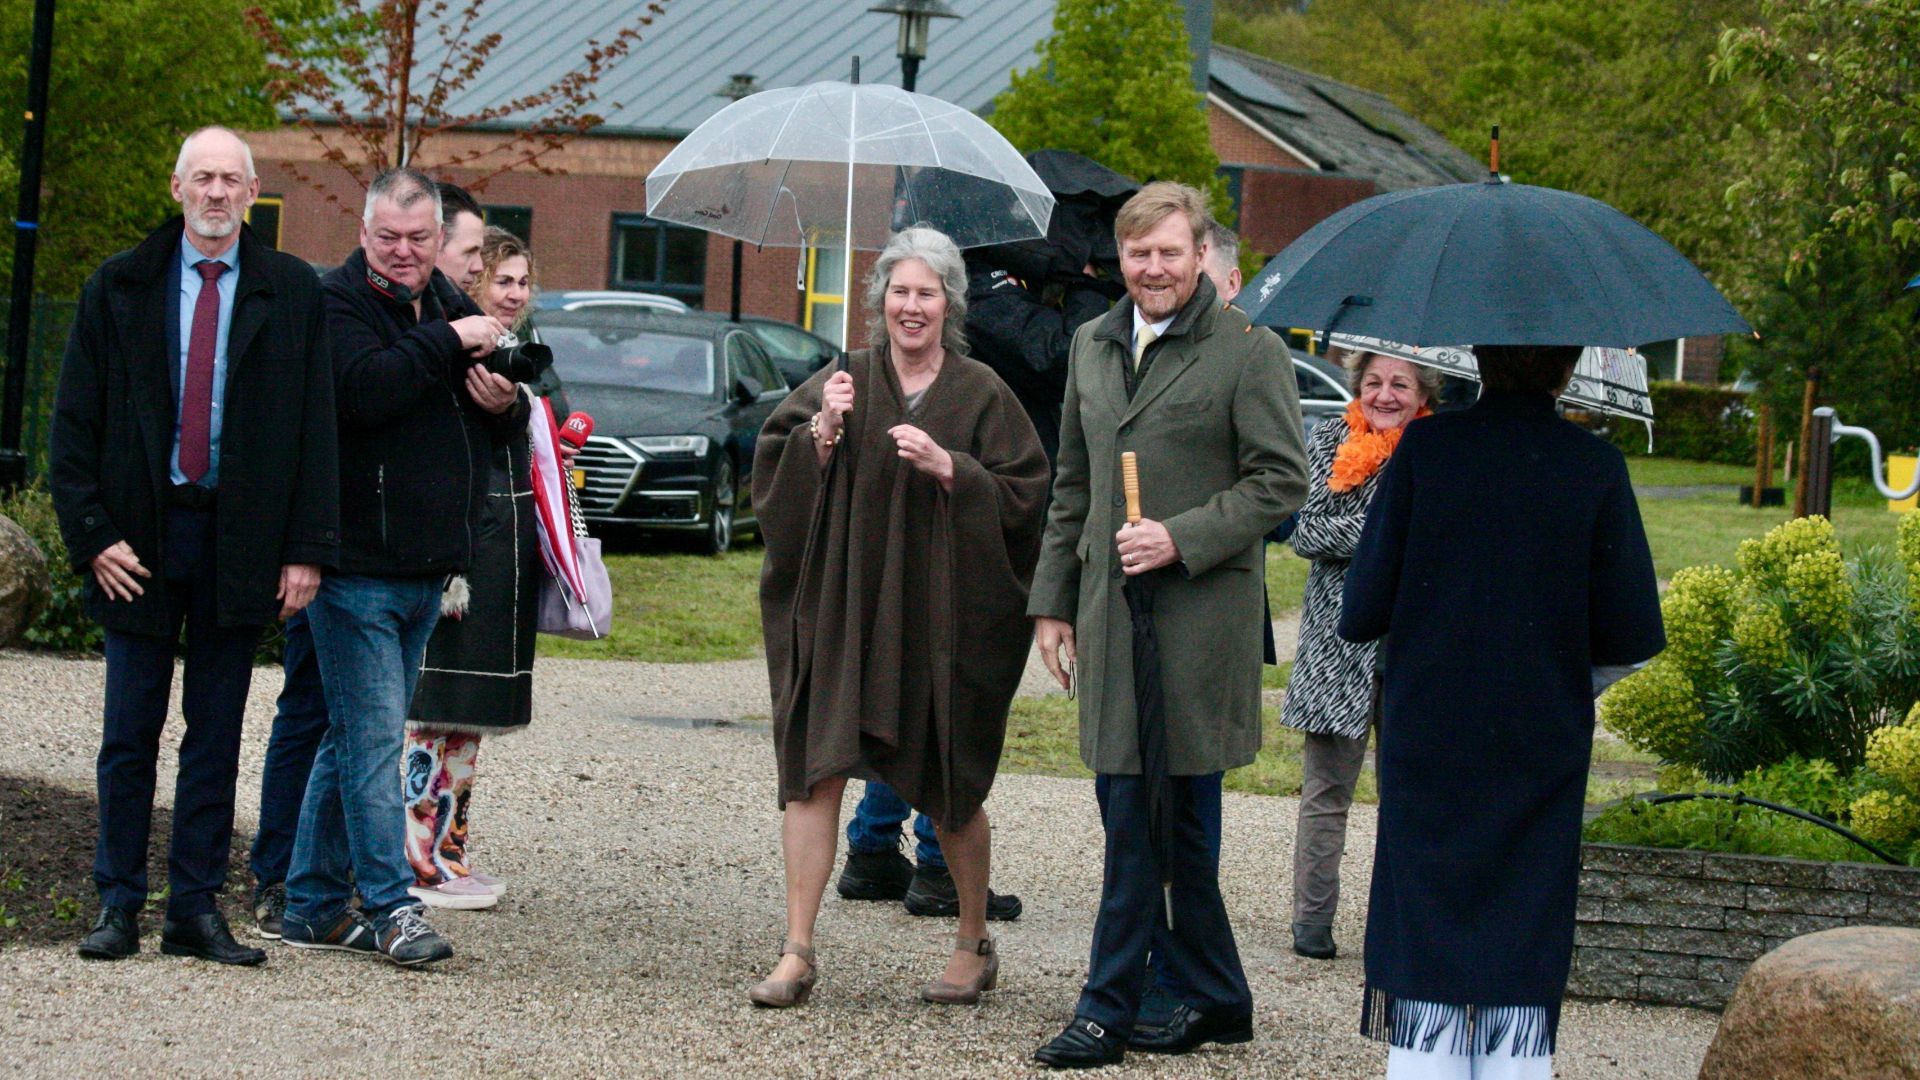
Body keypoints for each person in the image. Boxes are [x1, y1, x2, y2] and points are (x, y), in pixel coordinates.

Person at [1028, 182, 1308, 1068]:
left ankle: (1105, 1009)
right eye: (1138, 253)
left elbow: (1279, 483)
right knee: (1159, 824)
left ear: (1200, 258)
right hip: (1113, 623)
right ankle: (1220, 998)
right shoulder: (1091, 346)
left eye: (1170, 253)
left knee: (1149, 825)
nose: (1153, 268)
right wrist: (1053, 603)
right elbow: (1073, 481)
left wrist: (1180, 538)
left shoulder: (1248, 353)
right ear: (1120, 259)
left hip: (1195, 630)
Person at [50, 127, 337, 966]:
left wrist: (306, 549)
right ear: (176, 187)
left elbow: (316, 430)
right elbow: (73, 426)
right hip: (138, 538)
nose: (216, 194)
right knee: (128, 732)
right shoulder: (119, 288)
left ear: (253, 194)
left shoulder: (290, 292)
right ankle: (117, 904)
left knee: (214, 734)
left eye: (231, 181)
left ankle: (196, 908)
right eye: (202, 178)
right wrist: (92, 536)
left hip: (239, 538)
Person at [1338, 345, 1664, 1079]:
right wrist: (1561, 681)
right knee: (1521, 933)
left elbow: (1360, 611)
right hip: (1539, 739)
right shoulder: (1594, 466)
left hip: (1428, 734)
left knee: (1428, 930)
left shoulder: (1427, 448)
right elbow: (1635, 633)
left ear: (1478, 360)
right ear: (1566, 368)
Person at [750, 225, 1049, 1008]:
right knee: (813, 773)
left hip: (938, 620)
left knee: (949, 785)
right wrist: (819, 438)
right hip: (847, 611)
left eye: (927, 292)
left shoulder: (982, 390)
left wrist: (957, 472)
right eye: (899, 292)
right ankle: (797, 949)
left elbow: (1028, 497)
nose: (910, 307)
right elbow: (773, 486)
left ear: (949, 303)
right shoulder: (842, 380)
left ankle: (972, 940)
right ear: (879, 299)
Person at [279, 168, 526, 967]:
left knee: (345, 739)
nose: (405, 252)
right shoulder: (336, 303)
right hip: (354, 565)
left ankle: (312, 904)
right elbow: (362, 392)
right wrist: (448, 342)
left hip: (428, 565)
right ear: (363, 233)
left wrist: (504, 405)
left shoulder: (447, 304)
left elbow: (506, 413)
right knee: (376, 738)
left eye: (421, 239)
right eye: (389, 237)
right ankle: (389, 906)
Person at [402, 226, 559, 909]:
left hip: (504, 546)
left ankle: (451, 850)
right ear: (473, 285)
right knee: (432, 708)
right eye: (503, 280)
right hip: (463, 546)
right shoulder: (459, 349)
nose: (516, 294)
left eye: (524, 281)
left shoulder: (520, 355)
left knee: (468, 713)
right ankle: (415, 856)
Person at [1280, 347, 1440, 963]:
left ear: (1423, 392)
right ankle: (1312, 922)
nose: (1385, 395)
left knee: (1414, 795)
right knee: (1326, 792)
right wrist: (1390, 522)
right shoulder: (1327, 438)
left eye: (1400, 383)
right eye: (1373, 382)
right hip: (1337, 644)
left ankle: (1407, 923)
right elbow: (1308, 531)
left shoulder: (1440, 448)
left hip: (1417, 644)